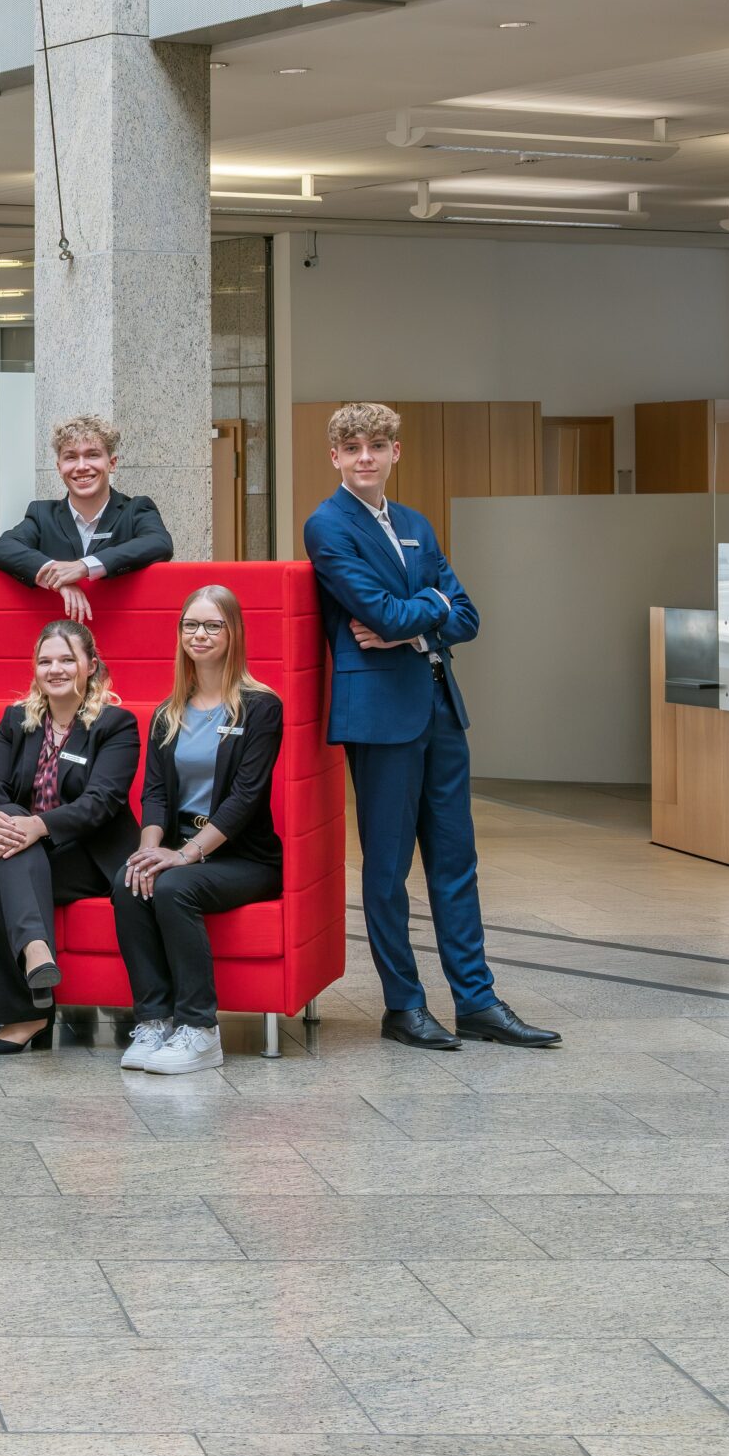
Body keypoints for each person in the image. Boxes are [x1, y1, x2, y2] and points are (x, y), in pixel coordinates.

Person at [304, 403, 559, 1053]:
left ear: (395, 454)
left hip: (440, 708)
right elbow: (381, 616)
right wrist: (427, 613)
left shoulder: (417, 523)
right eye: (353, 446)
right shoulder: (327, 526)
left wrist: (421, 615)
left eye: (378, 445)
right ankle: (404, 1007)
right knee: (388, 871)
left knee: (456, 861)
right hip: (381, 719)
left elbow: (466, 614)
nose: (366, 456)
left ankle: (476, 1002)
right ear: (335, 456)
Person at [118, 587, 287, 1074]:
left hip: (244, 857)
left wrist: (185, 855)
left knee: (173, 889)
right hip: (178, 847)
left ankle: (200, 1030)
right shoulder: (168, 711)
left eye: (213, 625)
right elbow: (155, 795)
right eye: (191, 625)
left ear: (233, 632)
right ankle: (153, 1022)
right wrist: (148, 852)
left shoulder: (260, 707)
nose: (200, 634)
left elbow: (245, 799)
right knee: (128, 883)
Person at [0, 620, 142, 1055]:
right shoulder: (17, 721)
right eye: (45, 660)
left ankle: (29, 1011)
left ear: (91, 666)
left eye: (67, 659)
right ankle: (37, 955)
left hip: (87, 853)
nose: (55, 669)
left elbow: (100, 802)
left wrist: (37, 827)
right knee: (2, 824)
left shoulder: (115, 725)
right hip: (23, 848)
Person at [0, 414, 175, 622]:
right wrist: (58, 578)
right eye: (71, 457)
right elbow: (0, 548)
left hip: (124, 631)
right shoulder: (42, 515)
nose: (82, 466)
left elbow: (159, 543)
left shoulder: (136, 509)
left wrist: (84, 566)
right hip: (59, 639)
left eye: (92, 455)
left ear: (112, 463)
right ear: (59, 468)